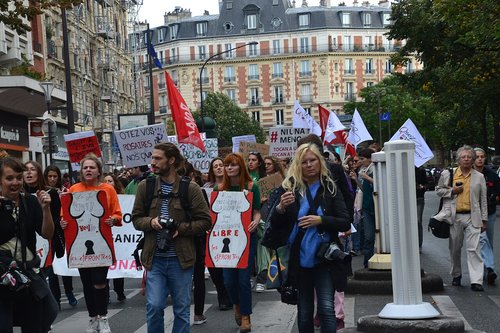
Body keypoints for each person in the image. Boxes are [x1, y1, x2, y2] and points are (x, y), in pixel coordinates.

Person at [269, 143, 350, 332]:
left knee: (326, 309)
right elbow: (275, 224)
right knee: (304, 311)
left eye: (313, 160)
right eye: (304, 162)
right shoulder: (289, 188)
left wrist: (320, 220)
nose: (309, 165)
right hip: (299, 259)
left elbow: (345, 221)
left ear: (320, 162)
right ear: (298, 165)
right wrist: (280, 208)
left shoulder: (329, 188)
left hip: (324, 257)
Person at [131, 143, 211, 333]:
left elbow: (205, 221)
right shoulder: (146, 187)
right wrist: (151, 222)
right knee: (155, 305)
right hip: (155, 257)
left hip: (181, 259)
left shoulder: (190, 188)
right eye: (152, 158)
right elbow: (136, 219)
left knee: (182, 309)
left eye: (158, 158)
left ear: (171, 160)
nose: (153, 162)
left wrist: (181, 229)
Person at [61, 154, 123, 333]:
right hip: (80, 244)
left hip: (101, 242)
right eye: (85, 167)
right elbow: (64, 217)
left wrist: (114, 219)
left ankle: (103, 318)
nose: (88, 170)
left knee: (99, 281)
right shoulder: (74, 189)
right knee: (87, 283)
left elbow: (117, 214)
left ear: (98, 171)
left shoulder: (107, 190)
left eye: (92, 167)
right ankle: (92, 318)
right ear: (81, 171)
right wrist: (63, 223)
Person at [0, 157, 57, 333]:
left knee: (45, 317)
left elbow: (47, 234)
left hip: (27, 274)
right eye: (9, 178)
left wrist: (46, 209)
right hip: (3, 275)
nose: (15, 183)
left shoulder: (29, 202)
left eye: (19, 177)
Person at [217, 153, 261, 333]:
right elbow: (214, 214)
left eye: (233, 165)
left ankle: (245, 315)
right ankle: (236, 304)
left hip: (246, 237)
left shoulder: (252, 186)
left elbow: (257, 211)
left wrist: (256, 221)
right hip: (226, 239)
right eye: (227, 165)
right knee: (228, 280)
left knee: (243, 279)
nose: (229, 168)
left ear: (240, 167)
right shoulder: (219, 189)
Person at [436, 145, 488, 292]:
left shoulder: (479, 176)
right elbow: (438, 190)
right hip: (455, 216)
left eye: (469, 157)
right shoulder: (448, 174)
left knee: (474, 249)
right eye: (463, 157)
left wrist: (484, 219)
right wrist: (452, 191)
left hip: (473, 216)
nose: (466, 159)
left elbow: (483, 199)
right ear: (458, 159)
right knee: (455, 248)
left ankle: (476, 280)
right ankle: (456, 275)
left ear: (472, 160)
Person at [23, 161, 67, 310]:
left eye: (32, 169)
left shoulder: (50, 193)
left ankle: (49, 308)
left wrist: (44, 211)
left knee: (43, 275)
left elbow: (55, 217)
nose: (28, 173)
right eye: (25, 170)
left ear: (38, 173)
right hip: (27, 242)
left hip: (47, 239)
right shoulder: (19, 195)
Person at [43, 165, 77, 307]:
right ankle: (56, 299)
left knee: (63, 264)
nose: (52, 179)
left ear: (58, 177)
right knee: (52, 269)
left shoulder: (63, 192)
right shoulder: (43, 193)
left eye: (54, 176)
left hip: (62, 233)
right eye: (49, 176)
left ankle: (69, 292)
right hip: (49, 233)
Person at [473, 147, 500, 285]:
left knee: (488, 241)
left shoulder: (492, 175)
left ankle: (487, 270)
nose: (480, 159)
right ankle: (489, 268)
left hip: (489, 213)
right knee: (481, 241)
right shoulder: (468, 174)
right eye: (477, 156)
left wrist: (495, 197)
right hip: (473, 214)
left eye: (482, 156)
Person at [103, 173, 127, 302]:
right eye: (105, 181)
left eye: (110, 181)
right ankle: (104, 293)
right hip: (105, 237)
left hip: (119, 238)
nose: (107, 183)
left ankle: (119, 290)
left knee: (118, 265)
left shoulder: (122, 198)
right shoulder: (98, 197)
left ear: (115, 183)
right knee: (103, 266)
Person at [351, 148, 375, 268]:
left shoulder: (375, 169)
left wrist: (367, 178)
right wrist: (356, 180)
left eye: (362, 159)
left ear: (370, 158)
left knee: (376, 236)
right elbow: (364, 189)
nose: (360, 161)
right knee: (368, 236)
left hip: (376, 208)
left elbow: (380, 185)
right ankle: (368, 263)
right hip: (367, 207)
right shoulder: (364, 171)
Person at [415, 166, 428, 253]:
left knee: (418, 221)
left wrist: (421, 187)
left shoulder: (421, 170)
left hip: (419, 198)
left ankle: (418, 245)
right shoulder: (402, 167)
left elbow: (426, 185)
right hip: (406, 198)